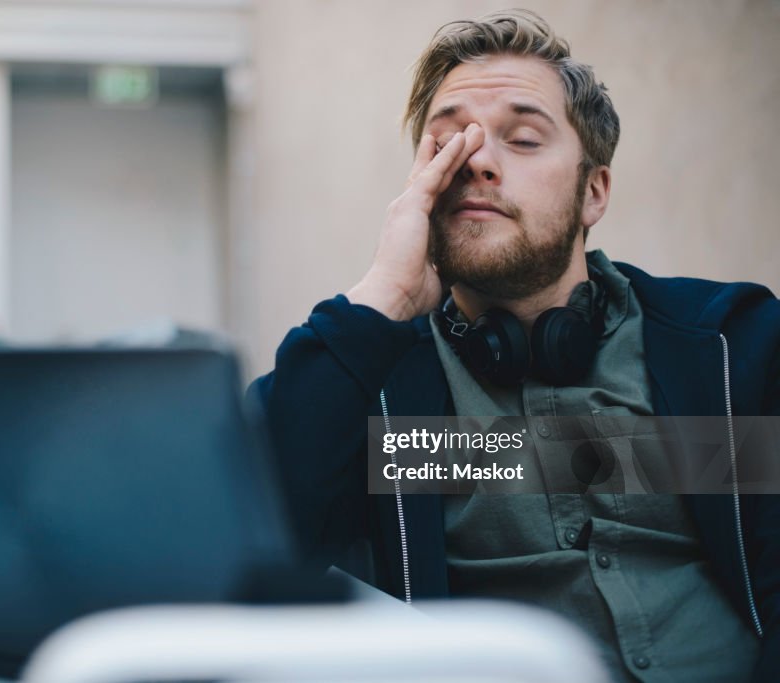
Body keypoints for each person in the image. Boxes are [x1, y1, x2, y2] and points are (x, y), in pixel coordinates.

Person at [249, 10, 779, 683]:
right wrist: (382, 293)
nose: (477, 161)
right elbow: (246, 528)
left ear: (594, 191)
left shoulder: (732, 347)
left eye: (523, 139)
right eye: (448, 143)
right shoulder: (376, 382)